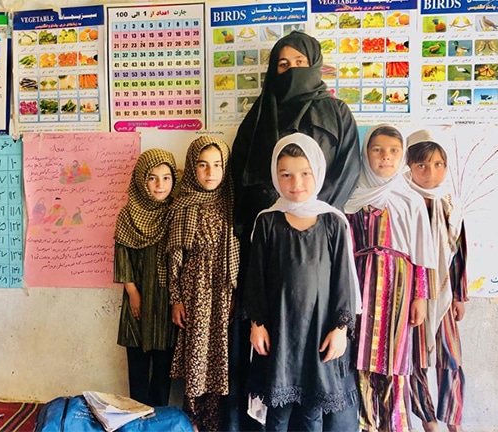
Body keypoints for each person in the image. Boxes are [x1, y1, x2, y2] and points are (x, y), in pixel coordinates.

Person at [229, 30, 361, 431]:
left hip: (318, 248)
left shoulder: (336, 113)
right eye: (282, 66)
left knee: (316, 377)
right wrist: (273, 213)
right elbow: (241, 177)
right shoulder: (258, 115)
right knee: (271, 365)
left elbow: (345, 171)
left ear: (314, 66)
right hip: (267, 247)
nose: (290, 72)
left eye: (299, 65)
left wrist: (311, 214)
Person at [242, 133, 360, 432]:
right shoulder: (267, 221)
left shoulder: (333, 222)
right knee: (278, 414)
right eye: (287, 174)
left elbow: (343, 281)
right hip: (279, 334)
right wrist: (257, 324)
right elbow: (255, 278)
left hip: (319, 332)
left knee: (312, 413)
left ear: (317, 172)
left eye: (305, 173)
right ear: (275, 176)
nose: (297, 183)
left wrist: (340, 328)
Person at [344, 124, 436, 432]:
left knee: (396, 363)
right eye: (377, 150)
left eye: (394, 151)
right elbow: (344, 251)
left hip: (399, 289)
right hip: (361, 287)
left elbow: (421, 254)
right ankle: (365, 425)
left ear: (402, 157)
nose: (386, 157)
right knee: (361, 359)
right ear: (365, 153)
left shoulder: (410, 200)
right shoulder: (351, 198)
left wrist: (420, 297)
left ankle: (395, 426)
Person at [167, 135, 240, 431]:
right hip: (194, 292)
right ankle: (193, 423)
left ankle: (217, 423)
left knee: (220, 360)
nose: (211, 173)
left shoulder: (232, 205)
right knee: (196, 360)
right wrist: (176, 299)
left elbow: (238, 255)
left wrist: (236, 294)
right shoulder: (181, 207)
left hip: (223, 292)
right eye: (202, 165)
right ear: (192, 168)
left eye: (217, 165)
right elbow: (174, 258)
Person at [405, 130, 468, 432]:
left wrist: (459, 295)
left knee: (450, 361)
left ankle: (453, 422)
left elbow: (460, 253)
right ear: (410, 167)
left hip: (444, 294)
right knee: (415, 361)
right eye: (423, 165)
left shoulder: (450, 203)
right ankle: (428, 421)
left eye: (439, 164)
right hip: (413, 298)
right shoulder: (402, 202)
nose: (432, 172)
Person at [113, 148, 178, 407]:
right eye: (152, 177)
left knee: (163, 371)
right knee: (137, 370)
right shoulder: (128, 215)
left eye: (166, 177)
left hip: (166, 301)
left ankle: (159, 421)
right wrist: (132, 292)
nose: (159, 184)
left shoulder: (176, 213)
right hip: (136, 299)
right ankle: (136, 420)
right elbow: (122, 255)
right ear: (141, 179)